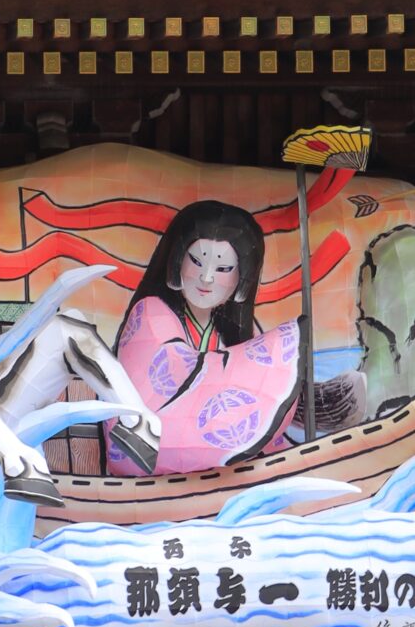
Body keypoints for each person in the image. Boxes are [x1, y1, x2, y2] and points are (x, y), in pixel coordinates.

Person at [109, 198, 301, 473]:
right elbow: (160, 386)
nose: (207, 277)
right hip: (150, 448)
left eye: (223, 268)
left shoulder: (238, 331)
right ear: (176, 260)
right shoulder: (151, 312)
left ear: (243, 278)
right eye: (197, 261)